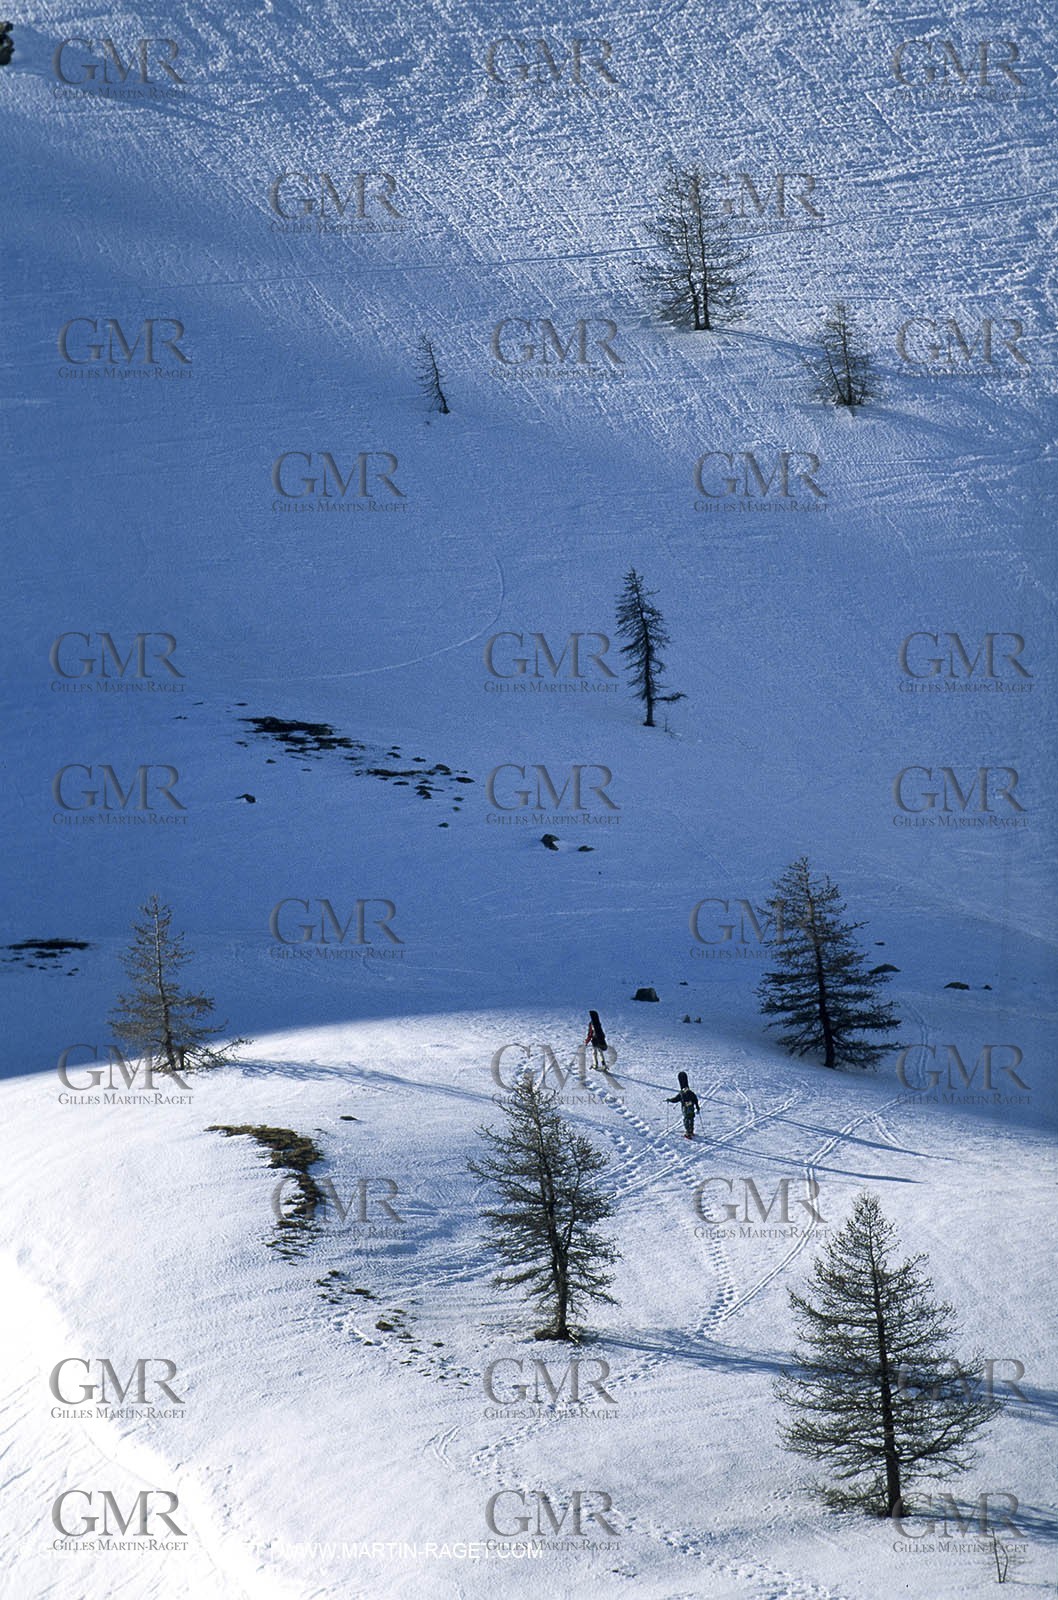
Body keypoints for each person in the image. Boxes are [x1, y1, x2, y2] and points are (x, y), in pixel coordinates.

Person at [667, 1070, 701, 1139]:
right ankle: (691, 1131)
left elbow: (675, 1099)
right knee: (691, 1119)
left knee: (686, 1119)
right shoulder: (691, 1092)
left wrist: (669, 1100)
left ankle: (688, 1133)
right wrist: (697, 1107)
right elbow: (695, 1099)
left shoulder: (681, 1093)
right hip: (691, 1107)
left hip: (685, 1108)